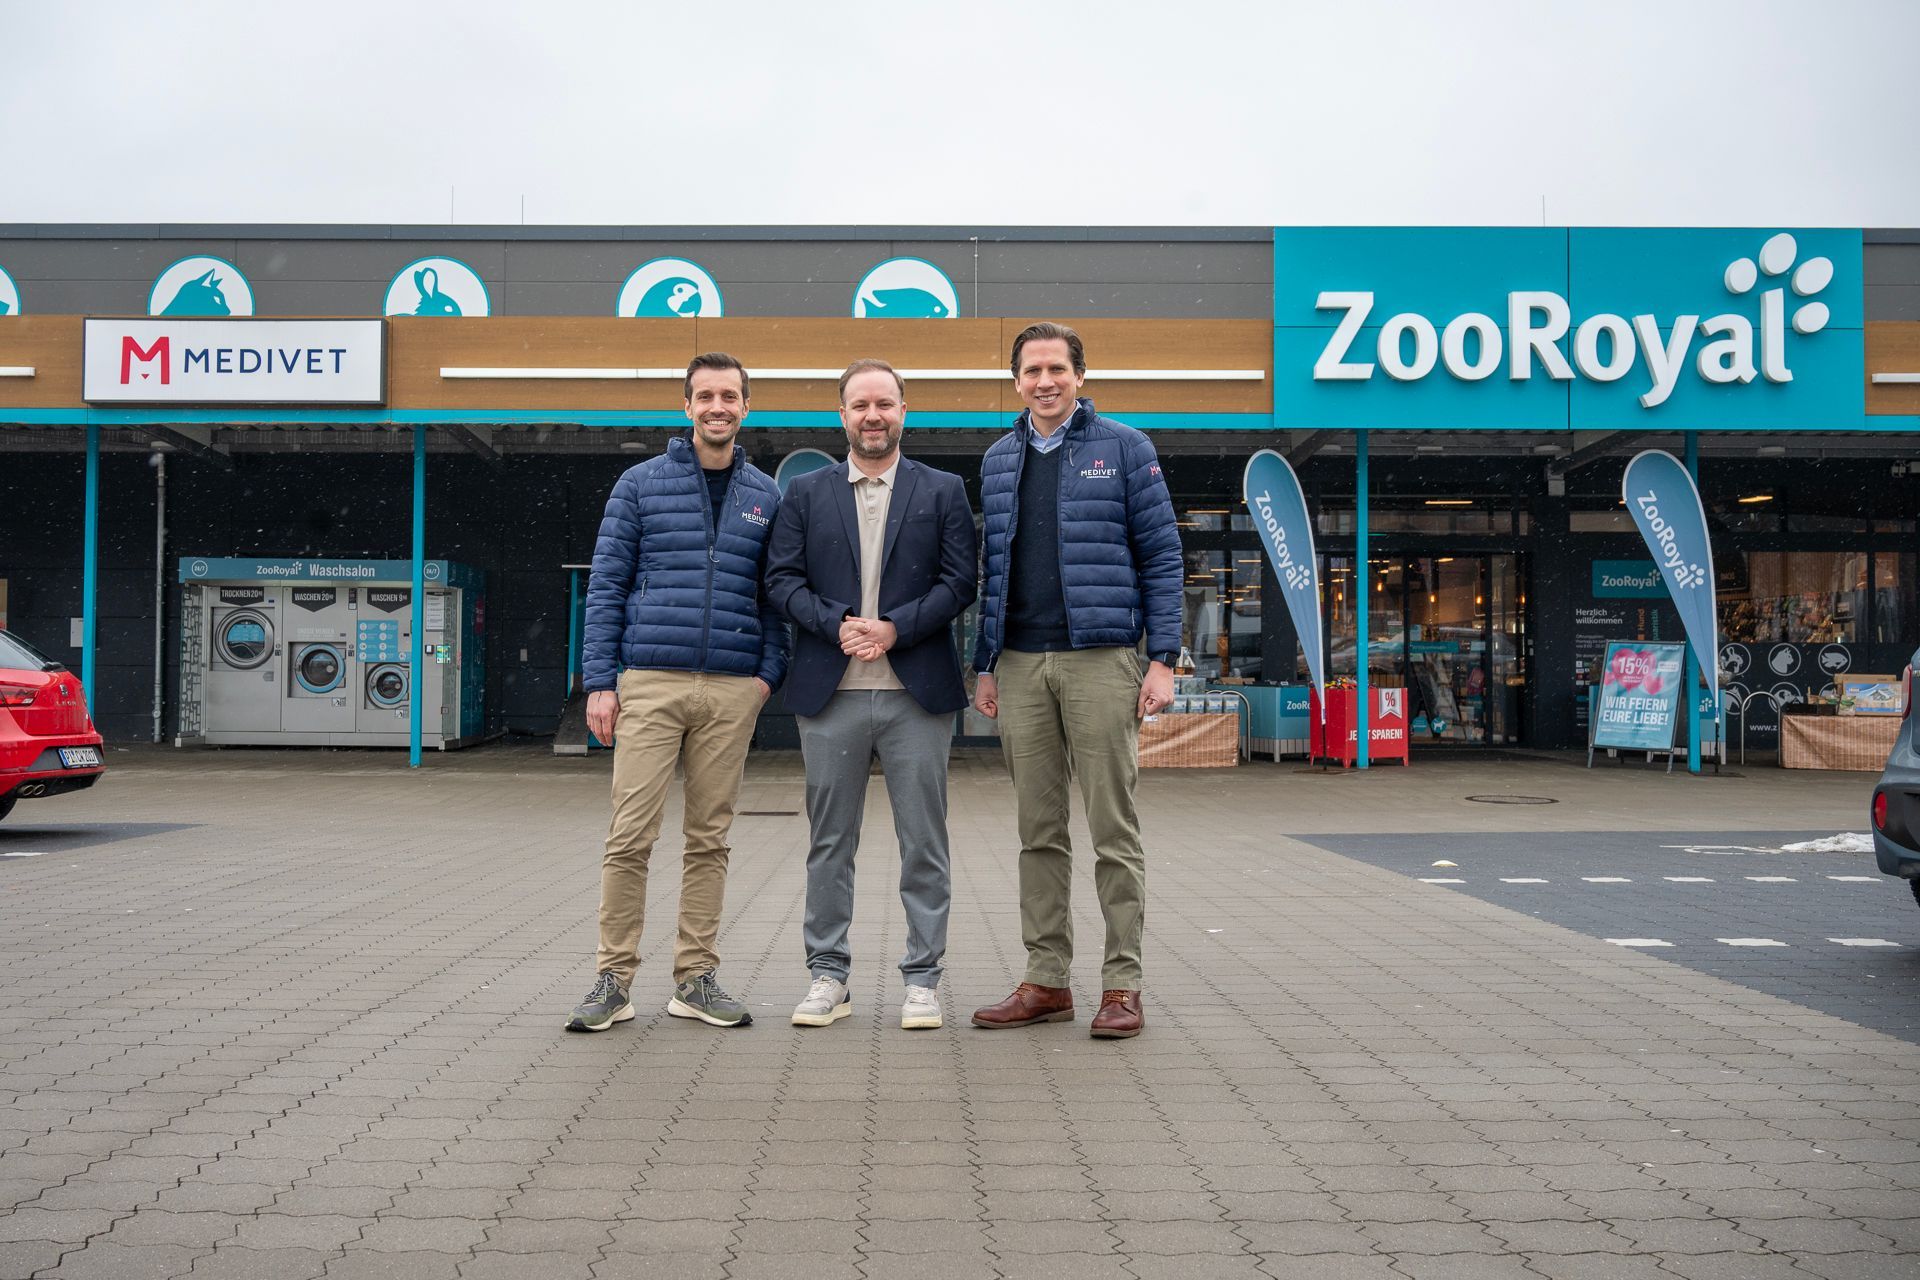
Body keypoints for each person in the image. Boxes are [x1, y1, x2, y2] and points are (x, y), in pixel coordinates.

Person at [969, 323, 1182, 1040]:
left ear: (1080, 376)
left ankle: (1122, 985)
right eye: (1031, 371)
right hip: (1021, 663)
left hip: (1101, 660)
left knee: (1113, 831)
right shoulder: (999, 459)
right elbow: (992, 571)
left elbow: (1162, 555)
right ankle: (1047, 980)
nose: (1044, 381)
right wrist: (985, 663)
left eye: (1056, 368)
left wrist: (1163, 659)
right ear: (1016, 381)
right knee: (1038, 833)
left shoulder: (1126, 448)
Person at [567, 352, 788, 1032]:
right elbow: (606, 584)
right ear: (686, 406)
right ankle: (612, 980)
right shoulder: (639, 485)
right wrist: (599, 682)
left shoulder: (766, 495)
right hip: (650, 683)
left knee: (709, 840)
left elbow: (776, 594)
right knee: (629, 835)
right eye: (705, 396)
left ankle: (695, 979)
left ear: (745, 406)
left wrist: (766, 676)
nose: (717, 406)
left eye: (729, 396)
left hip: (732, 688)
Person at [765, 359, 978, 1031]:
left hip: (918, 695)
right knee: (830, 843)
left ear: (904, 411)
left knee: (925, 843)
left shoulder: (943, 490)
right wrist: (836, 624)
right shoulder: (805, 493)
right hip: (832, 695)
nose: (873, 415)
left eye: (884, 403)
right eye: (860, 405)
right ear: (843, 416)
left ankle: (923, 980)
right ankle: (828, 976)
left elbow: (960, 581)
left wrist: (895, 628)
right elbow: (781, 580)